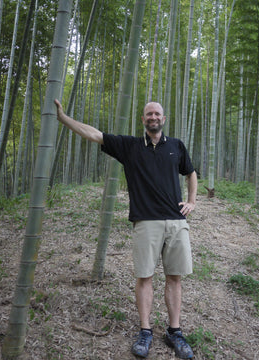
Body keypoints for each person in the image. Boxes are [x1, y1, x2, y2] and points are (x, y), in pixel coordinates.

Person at [54, 99, 197, 359]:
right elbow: (94, 134)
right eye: (148, 114)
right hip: (145, 221)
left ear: (163, 119)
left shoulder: (176, 146)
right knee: (145, 277)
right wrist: (64, 119)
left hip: (176, 222)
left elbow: (191, 172)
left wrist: (191, 201)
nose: (153, 117)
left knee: (174, 277)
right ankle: (145, 331)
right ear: (143, 120)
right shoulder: (129, 146)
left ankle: (174, 331)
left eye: (157, 114)